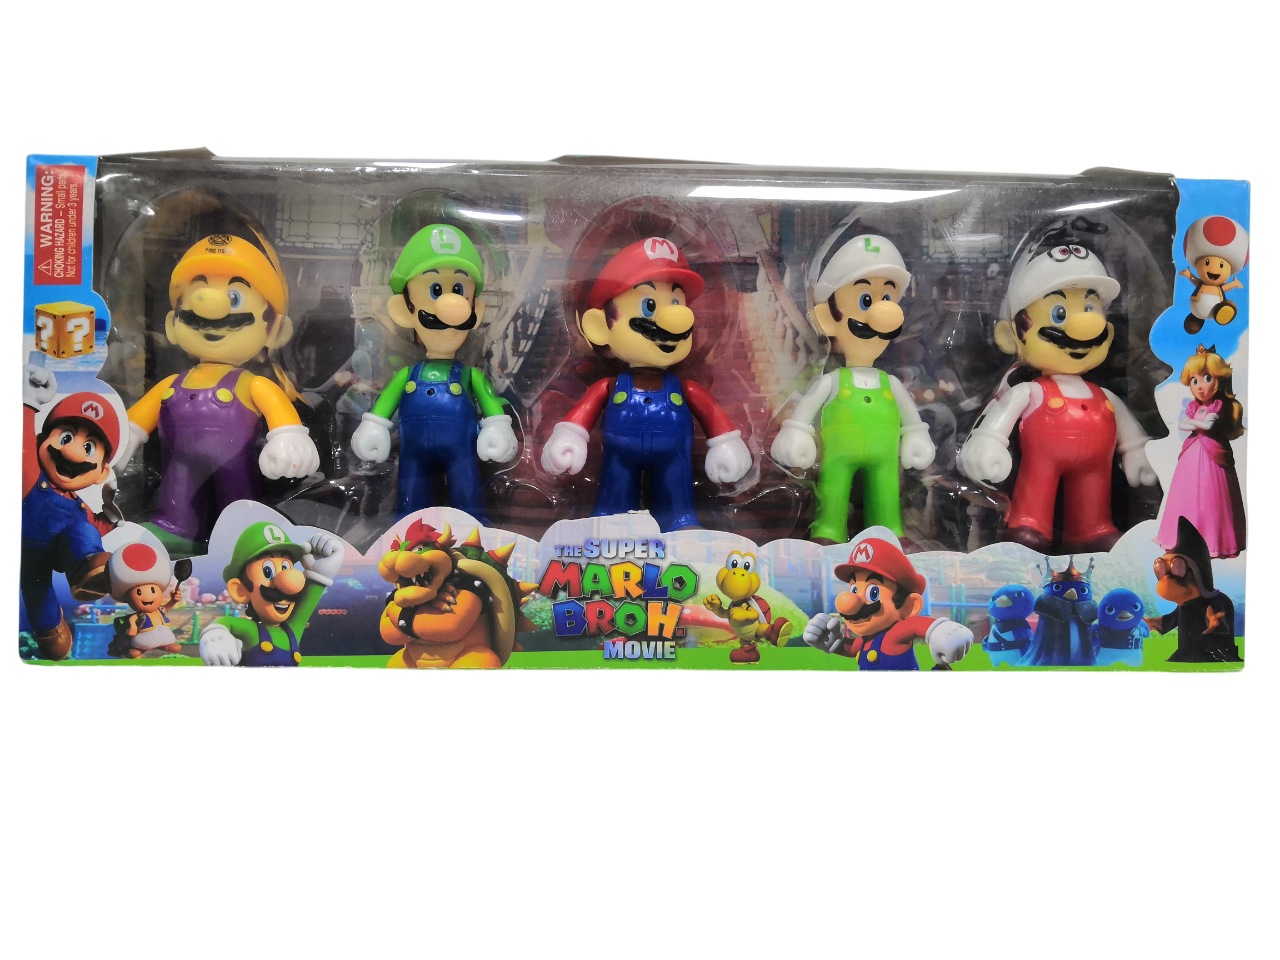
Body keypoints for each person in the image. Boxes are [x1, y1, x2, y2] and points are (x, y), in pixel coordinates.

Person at [771, 232, 934, 543]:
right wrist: (797, 432)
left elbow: (912, 419)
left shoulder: (891, 383)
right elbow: (807, 409)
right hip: (837, 454)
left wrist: (916, 434)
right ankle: (828, 529)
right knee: (833, 486)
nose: (882, 315)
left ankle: (889, 531)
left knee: (886, 488)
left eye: (888, 299)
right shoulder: (832, 380)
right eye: (865, 300)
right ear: (827, 318)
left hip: (885, 455)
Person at [350, 224, 517, 523]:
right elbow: (384, 405)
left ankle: (473, 530)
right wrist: (374, 427)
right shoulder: (407, 375)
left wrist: (497, 427)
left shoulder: (470, 376)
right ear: (405, 310)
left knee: (467, 494)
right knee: (410, 499)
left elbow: (491, 403)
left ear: (474, 311)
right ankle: (408, 532)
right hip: (412, 452)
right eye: (435, 290)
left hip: (462, 452)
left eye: (459, 291)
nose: (451, 307)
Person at [1156, 345, 1245, 558]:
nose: (1200, 387)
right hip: (1192, 452)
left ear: (1219, 379)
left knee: (1212, 497)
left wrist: (1195, 423)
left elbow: (1207, 426)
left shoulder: (1219, 406)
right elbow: (1185, 425)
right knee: (1185, 495)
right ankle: (1179, 538)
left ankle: (1214, 542)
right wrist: (1198, 423)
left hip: (1212, 453)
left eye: (1207, 378)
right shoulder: (1196, 408)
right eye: (1194, 381)